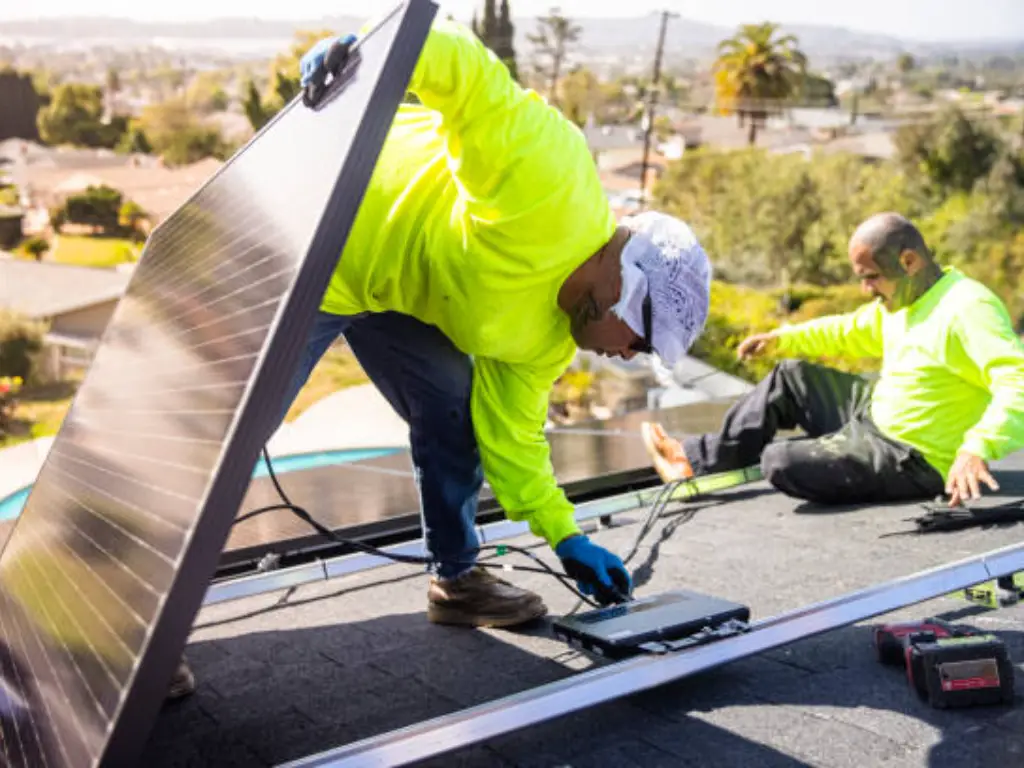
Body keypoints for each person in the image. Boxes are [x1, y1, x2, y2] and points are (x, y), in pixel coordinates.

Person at [285, 22, 709, 622]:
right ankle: (146, 633)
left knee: (455, 412)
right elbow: (469, 79)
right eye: (640, 340)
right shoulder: (551, 184)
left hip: (393, 289)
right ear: (622, 286)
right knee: (235, 429)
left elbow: (513, 439)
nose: (629, 356)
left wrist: (567, 537)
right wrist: (371, 57)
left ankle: (455, 582)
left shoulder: (547, 344)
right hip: (320, 229)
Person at [642, 212, 1024, 509]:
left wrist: (976, 449)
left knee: (779, 461)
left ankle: (843, 451)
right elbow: (850, 330)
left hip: (912, 457)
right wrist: (781, 339)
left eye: (871, 277)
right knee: (788, 378)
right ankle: (693, 463)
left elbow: (1017, 382)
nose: (865, 289)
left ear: (909, 262)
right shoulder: (904, 300)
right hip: (874, 412)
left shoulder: (967, 308)